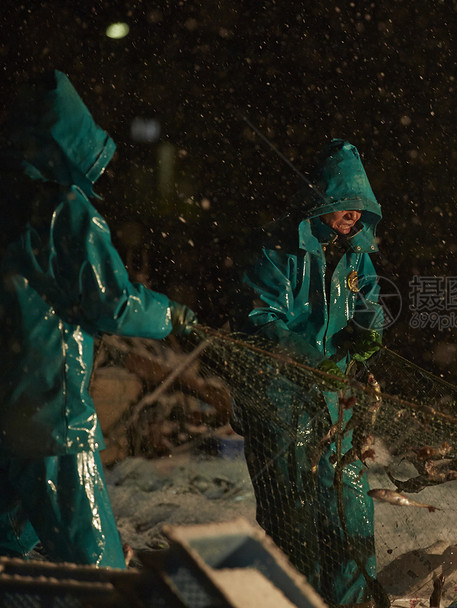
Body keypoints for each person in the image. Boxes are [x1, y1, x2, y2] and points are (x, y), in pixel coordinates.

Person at [0, 70, 198, 568]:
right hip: (53, 415)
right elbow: (111, 302)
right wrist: (170, 313)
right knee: (96, 567)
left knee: (10, 553)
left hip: (8, 410)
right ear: (71, 142)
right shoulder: (65, 209)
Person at [235, 139, 385, 606]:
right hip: (280, 406)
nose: (354, 217)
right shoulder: (277, 251)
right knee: (292, 523)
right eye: (345, 205)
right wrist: (309, 360)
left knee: (351, 514)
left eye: (360, 208)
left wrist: (368, 331)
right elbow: (260, 320)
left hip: (336, 406)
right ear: (321, 200)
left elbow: (371, 306)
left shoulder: (357, 256)